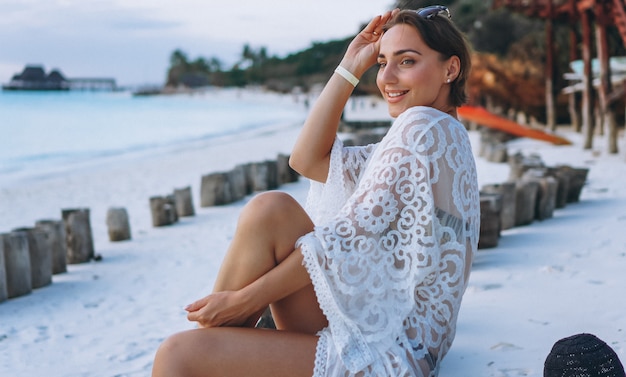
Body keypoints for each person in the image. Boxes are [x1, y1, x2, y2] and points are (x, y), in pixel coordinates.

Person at [152, 5, 480, 377]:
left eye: (406, 61)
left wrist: (242, 301)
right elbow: (307, 159)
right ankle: (216, 347)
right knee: (270, 210)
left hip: (390, 354)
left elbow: (348, 236)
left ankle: (212, 346)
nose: (386, 77)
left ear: (450, 69)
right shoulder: (443, 138)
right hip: (394, 334)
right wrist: (352, 64)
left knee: (177, 354)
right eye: (381, 62)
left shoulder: (421, 129)